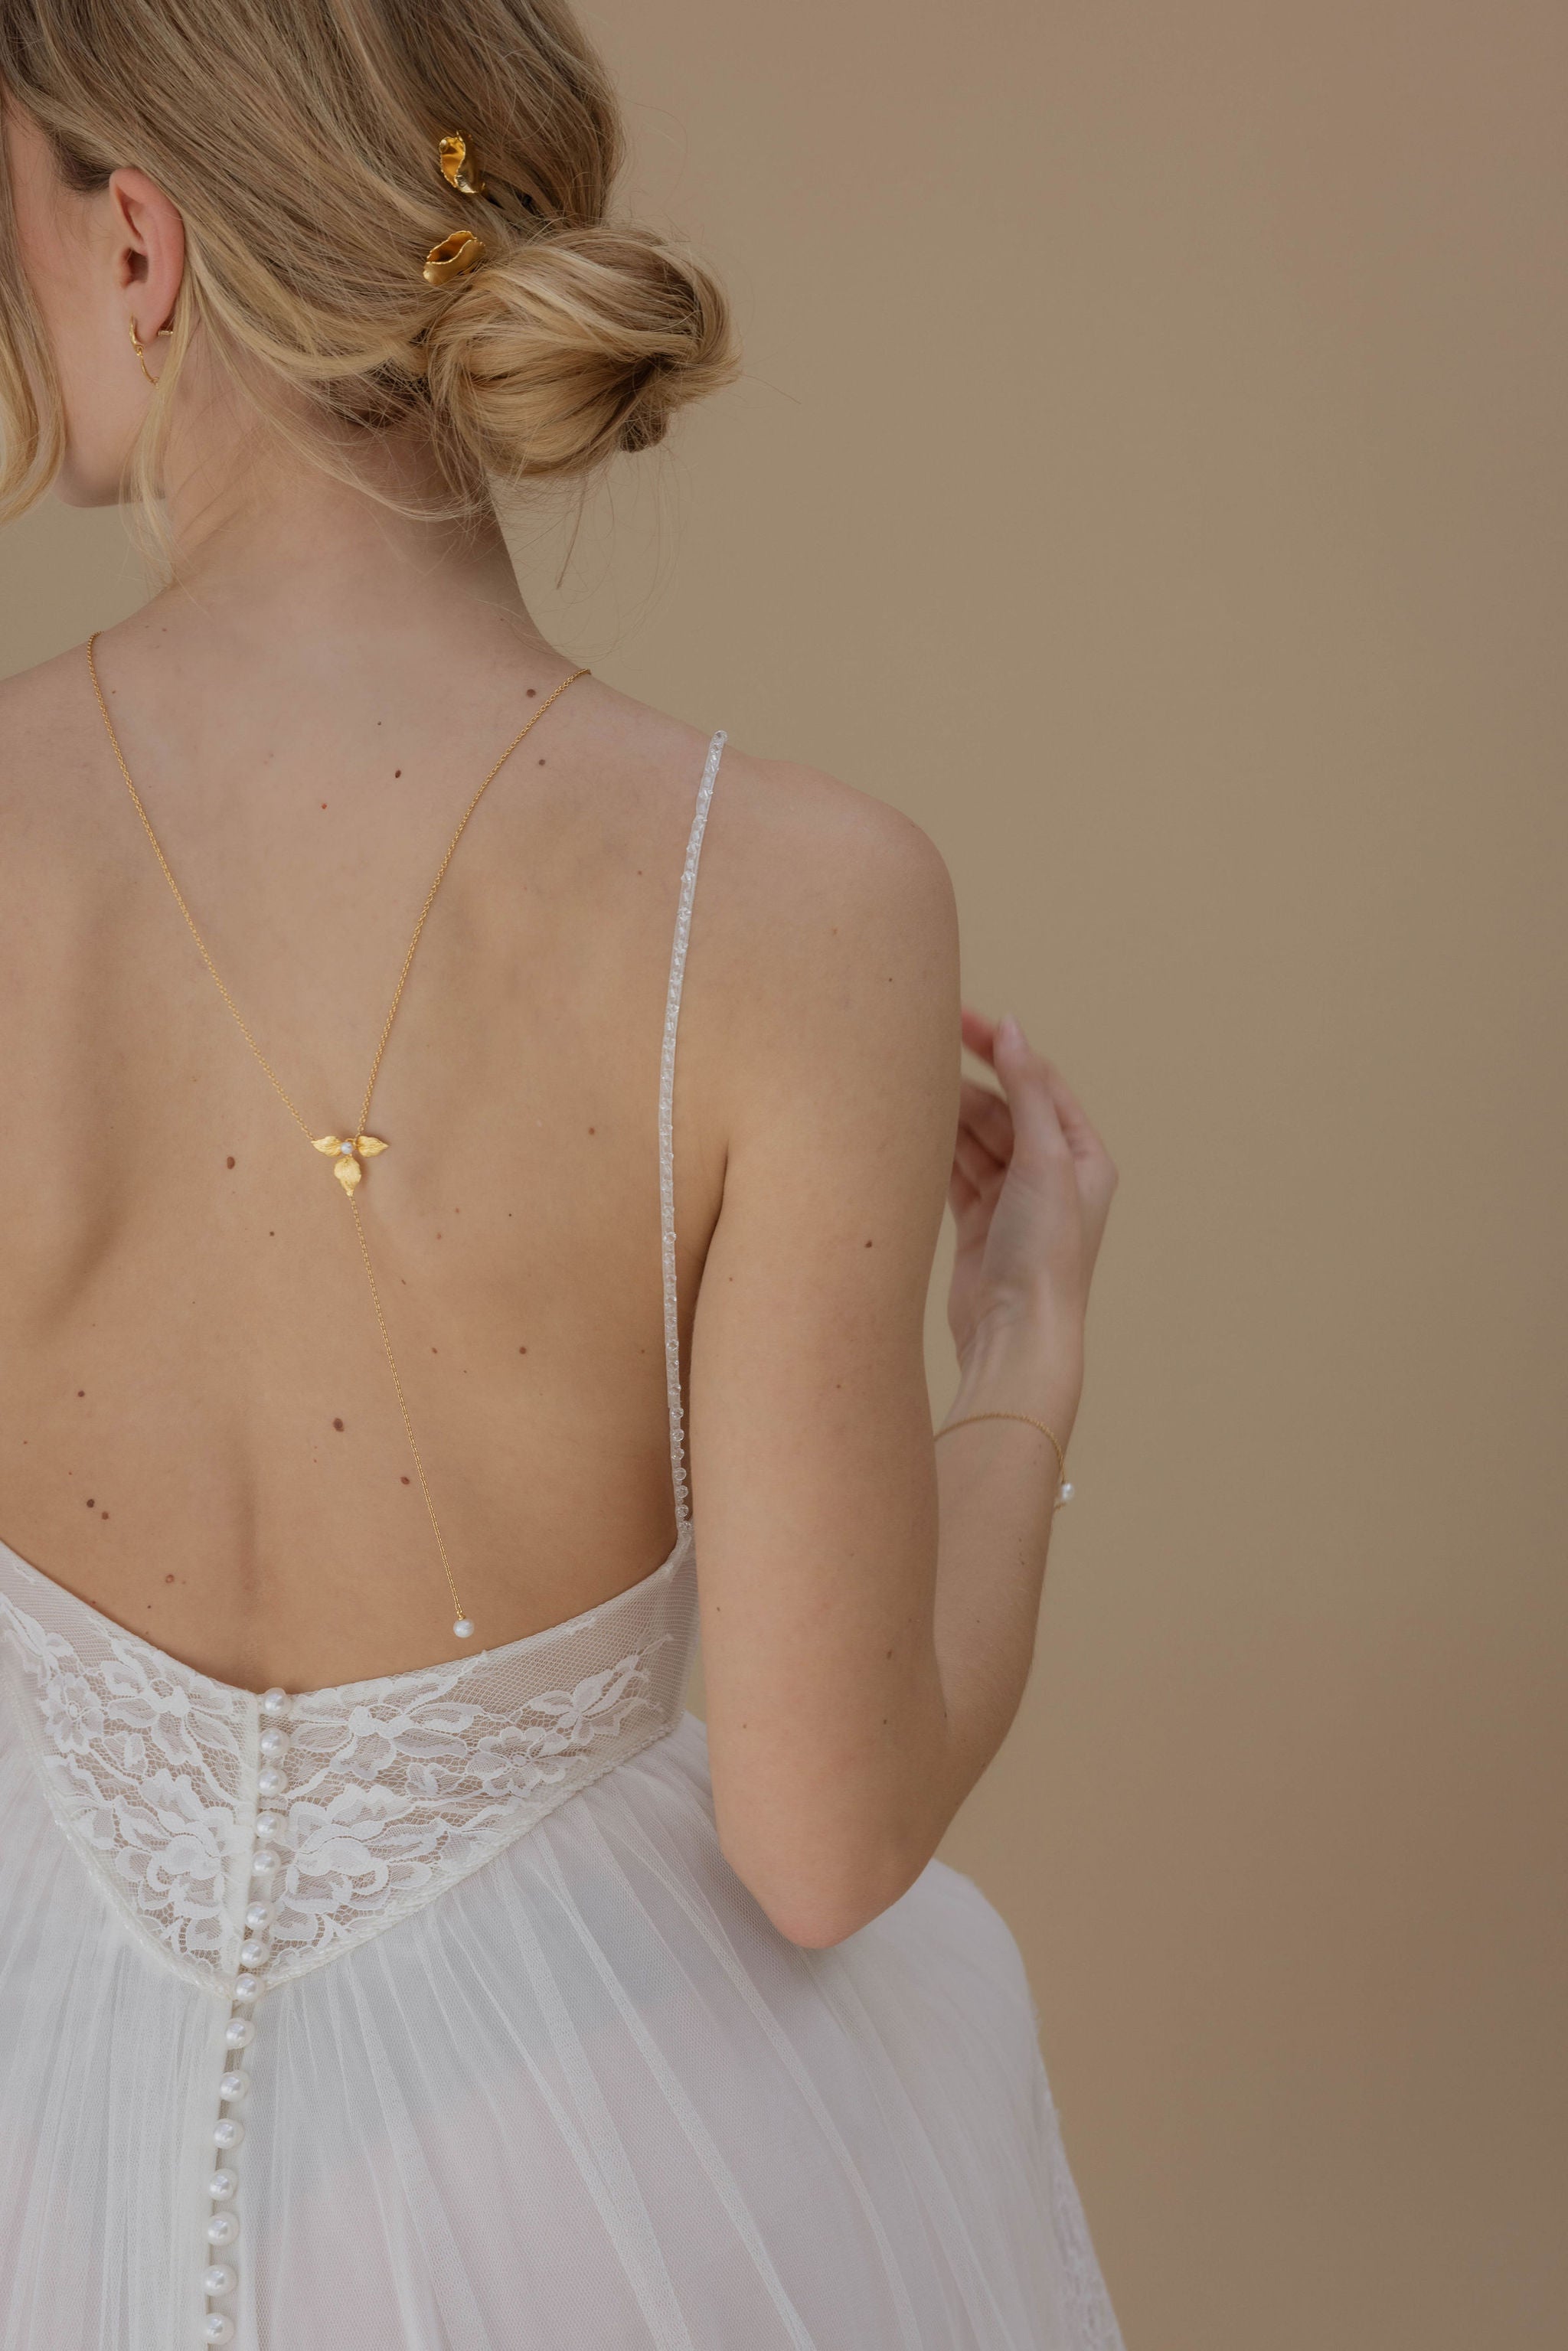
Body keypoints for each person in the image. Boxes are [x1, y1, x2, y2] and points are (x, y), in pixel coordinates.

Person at [0, 5, 1123, 2346]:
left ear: (138, 244)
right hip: (575, 2173)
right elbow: (828, 1847)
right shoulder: (797, 898)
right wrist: (1018, 1360)